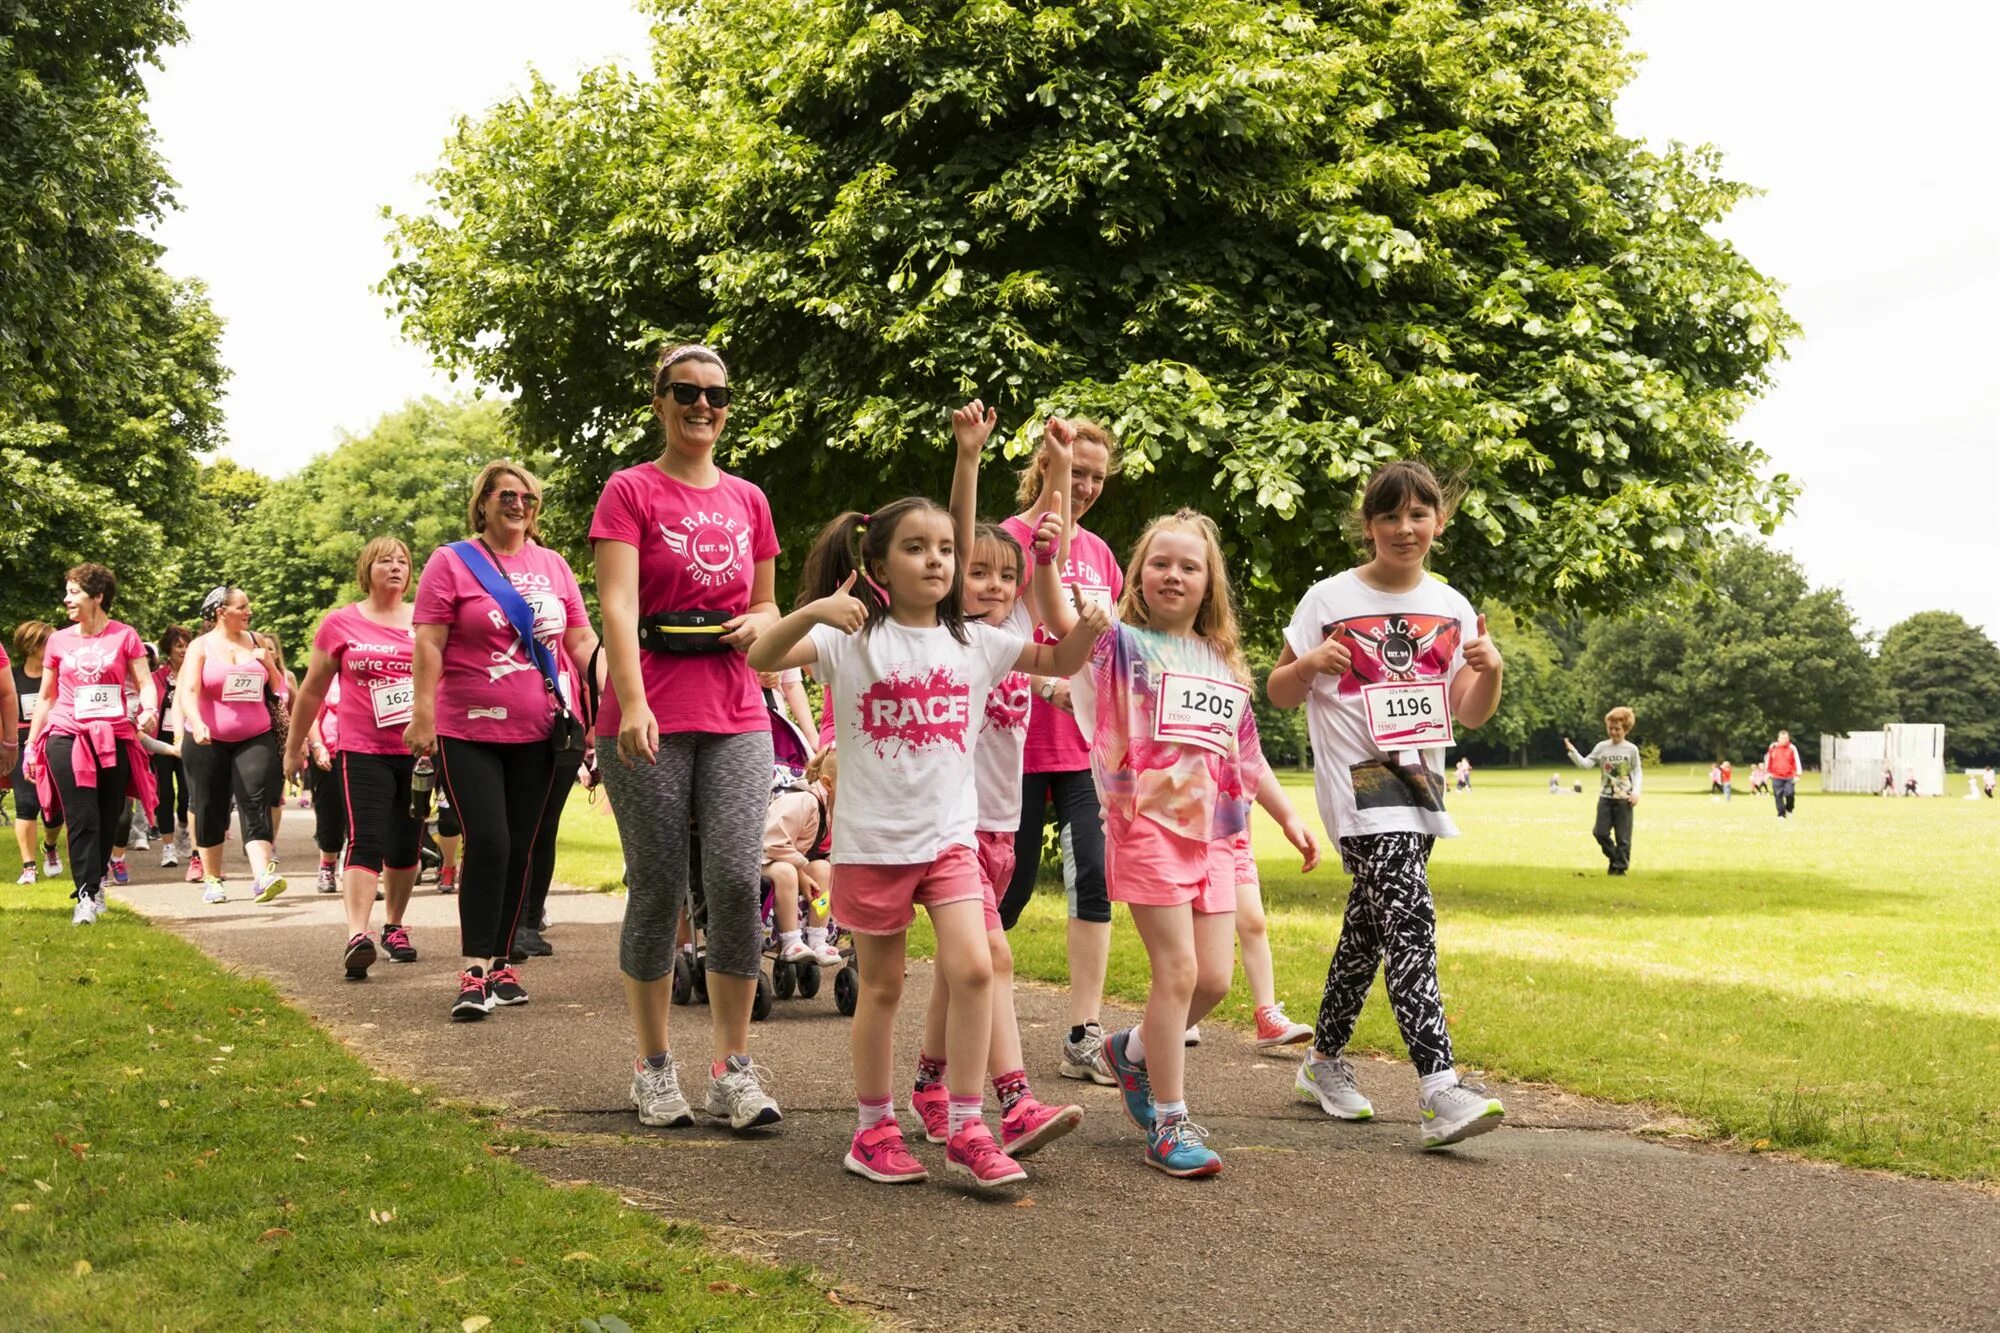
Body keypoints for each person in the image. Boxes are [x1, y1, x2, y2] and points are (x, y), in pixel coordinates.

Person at [750, 496, 1106, 1188]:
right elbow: (762, 654)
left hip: (949, 841)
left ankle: (970, 1125)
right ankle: (873, 1126)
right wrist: (816, 610)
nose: (936, 559)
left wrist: (1087, 626)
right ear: (878, 563)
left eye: (945, 548)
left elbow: (1060, 655)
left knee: (974, 968)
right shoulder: (851, 637)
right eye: (916, 548)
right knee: (882, 987)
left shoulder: (979, 641)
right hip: (872, 845)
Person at [1032, 488, 1311, 1179]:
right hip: (1145, 825)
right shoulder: (1118, 644)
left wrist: (1289, 815)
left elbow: (1245, 757)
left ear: (1208, 582)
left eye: (1189, 566)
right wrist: (1044, 561)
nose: (1174, 575)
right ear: (1138, 573)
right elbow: (1056, 617)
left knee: (1212, 981)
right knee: (1177, 972)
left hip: (1216, 835)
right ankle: (1169, 1119)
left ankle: (1130, 1052)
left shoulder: (1224, 663)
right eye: (1160, 562)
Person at [1266, 459, 1508, 1150]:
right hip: (1358, 782)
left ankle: (1322, 1062)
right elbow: (1280, 690)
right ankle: (1440, 1087)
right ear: (1368, 525)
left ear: (1439, 520)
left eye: (1419, 515)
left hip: (1417, 787)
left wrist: (1491, 671)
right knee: (1411, 922)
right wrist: (1310, 665)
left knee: (1369, 932)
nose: (1406, 528)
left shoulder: (1454, 607)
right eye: (1391, 516)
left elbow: (1470, 709)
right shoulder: (1327, 598)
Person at [591, 344, 784, 1134]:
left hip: (736, 708)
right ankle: (654, 1064)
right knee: (660, 884)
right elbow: (616, 604)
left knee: (738, 880)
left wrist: (761, 623)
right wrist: (631, 699)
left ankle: (732, 1069)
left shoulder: (749, 498)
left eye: (717, 394)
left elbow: (771, 607)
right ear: (660, 400)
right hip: (651, 709)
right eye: (687, 392)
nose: (703, 405)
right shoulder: (630, 489)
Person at [905, 401, 1087, 1160]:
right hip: (948, 827)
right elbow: (962, 527)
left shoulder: (1013, 638)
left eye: (1000, 574)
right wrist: (970, 458)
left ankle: (929, 1080)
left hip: (999, 826)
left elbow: (1050, 550)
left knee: (963, 966)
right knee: (994, 958)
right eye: (973, 571)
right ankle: (1011, 1101)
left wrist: (1062, 475)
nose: (986, 582)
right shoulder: (952, 633)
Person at [408, 459, 597, 1021]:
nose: (519, 505)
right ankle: (472, 970)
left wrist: (619, 692)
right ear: (484, 502)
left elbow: (581, 640)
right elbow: (429, 643)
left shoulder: (554, 565)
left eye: (529, 498)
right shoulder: (452, 561)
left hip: (539, 730)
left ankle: (503, 963)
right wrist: (422, 714)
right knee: (487, 840)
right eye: (507, 495)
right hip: (468, 728)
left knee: (522, 844)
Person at [993, 416, 1123, 1086]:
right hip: (1011, 746)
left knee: (1093, 875)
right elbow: (981, 631)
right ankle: (977, 1003)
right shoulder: (1007, 540)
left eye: (1099, 475)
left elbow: (1105, 654)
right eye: (1078, 471)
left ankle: (1083, 1032)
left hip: (1080, 750)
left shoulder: (1103, 557)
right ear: (1047, 465)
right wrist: (1037, 679)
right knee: (1006, 892)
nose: (1089, 485)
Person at [288, 538, 423, 980]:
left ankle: (395, 927)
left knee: (405, 843)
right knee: (366, 838)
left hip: (419, 751)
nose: (396, 568)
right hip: (363, 749)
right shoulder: (340, 623)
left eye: (403, 561)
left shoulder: (426, 621)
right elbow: (310, 690)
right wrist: (294, 748)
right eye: (386, 561)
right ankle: (356, 936)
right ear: (367, 570)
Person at [20, 564, 159, 924]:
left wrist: (149, 709)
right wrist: (31, 745)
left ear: (97, 597)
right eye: (66, 592)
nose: (66, 599)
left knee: (108, 815)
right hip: (67, 735)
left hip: (115, 738)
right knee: (82, 815)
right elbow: (46, 697)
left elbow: (145, 682)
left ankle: (96, 884)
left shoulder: (125, 636)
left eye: (74, 592)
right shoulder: (58, 640)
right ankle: (84, 895)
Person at [179, 588, 288, 904]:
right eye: (242, 607)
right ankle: (212, 879)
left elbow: (277, 686)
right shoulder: (200, 647)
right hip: (207, 740)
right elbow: (188, 690)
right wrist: (197, 722)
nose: (249, 611)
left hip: (255, 735)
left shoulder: (255, 641)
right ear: (220, 611)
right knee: (211, 806)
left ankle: (262, 876)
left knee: (255, 800)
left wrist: (268, 663)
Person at [762, 745, 840, 967]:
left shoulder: (830, 807)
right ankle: (790, 939)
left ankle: (818, 937)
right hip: (766, 858)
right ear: (827, 784)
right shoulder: (801, 802)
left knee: (824, 871)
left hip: (792, 859)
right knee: (786, 872)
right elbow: (772, 842)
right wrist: (801, 871)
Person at [9, 622, 65, 884]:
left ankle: (50, 846)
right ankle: (28, 866)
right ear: (31, 645)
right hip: (22, 748)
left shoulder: (58, 675)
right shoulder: (13, 676)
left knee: (54, 810)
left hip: (54, 744)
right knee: (25, 804)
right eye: (47, 641)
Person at [1564, 708, 1642, 875]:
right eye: (1610, 728)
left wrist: (1636, 792)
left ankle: (1619, 870)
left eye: (1617, 729)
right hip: (1605, 798)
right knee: (1599, 833)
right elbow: (1586, 764)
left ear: (1626, 729)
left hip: (1624, 799)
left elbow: (1637, 771)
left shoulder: (1631, 749)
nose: (1613, 732)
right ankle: (1616, 859)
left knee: (1623, 838)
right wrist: (1573, 752)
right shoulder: (1602, 747)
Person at [149, 628, 192, 868]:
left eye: (187, 645)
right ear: (169, 649)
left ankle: (183, 828)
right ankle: (167, 847)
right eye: (178, 646)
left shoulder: (196, 674)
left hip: (188, 740)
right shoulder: (158, 677)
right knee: (165, 794)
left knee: (187, 794)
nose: (184, 651)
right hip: (162, 743)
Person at [302, 678, 347, 892]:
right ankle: (327, 866)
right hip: (330, 753)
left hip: (365, 753)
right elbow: (311, 714)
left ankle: (361, 871)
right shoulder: (328, 676)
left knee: (364, 816)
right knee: (330, 812)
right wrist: (318, 746)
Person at [1764, 729, 1801, 819]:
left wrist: (1797, 775)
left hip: (1789, 776)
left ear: (1788, 739)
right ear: (1778, 738)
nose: (1784, 740)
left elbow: (1797, 761)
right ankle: (1781, 814)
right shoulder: (1772, 747)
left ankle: (1789, 809)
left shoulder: (1792, 748)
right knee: (1778, 795)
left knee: (1789, 794)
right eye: (1782, 738)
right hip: (1776, 776)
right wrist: (1768, 772)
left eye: (1786, 738)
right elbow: (1768, 760)